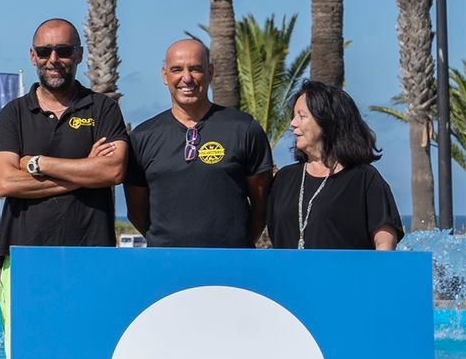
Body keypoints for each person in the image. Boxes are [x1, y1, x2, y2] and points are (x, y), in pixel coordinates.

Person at [124, 39, 272, 247]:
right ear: (165, 76)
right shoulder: (142, 137)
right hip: (166, 264)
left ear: (210, 72)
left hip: (229, 264)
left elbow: (261, 205)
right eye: (177, 69)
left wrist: (238, 245)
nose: (187, 78)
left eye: (195, 69)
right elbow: (136, 211)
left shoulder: (243, 128)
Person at [267, 81, 403, 251]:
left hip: (345, 277)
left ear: (327, 121)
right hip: (290, 277)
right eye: (293, 116)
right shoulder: (284, 179)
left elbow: (385, 244)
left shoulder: (364, 178)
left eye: (301, 116)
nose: (293, 123)